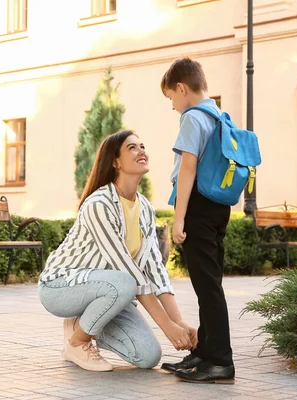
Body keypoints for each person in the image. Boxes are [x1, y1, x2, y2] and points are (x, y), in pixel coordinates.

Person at [38, 129, 197, 372]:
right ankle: (77, 342)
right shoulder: (99, 205)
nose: (141, 150)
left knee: (148, 357)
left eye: (142, 146)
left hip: (110, 289)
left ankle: (84, 322)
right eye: (132, 147)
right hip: (61, 286)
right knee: (126, 282)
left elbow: (155, 270)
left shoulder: (144, 208)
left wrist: (179, 323)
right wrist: (167, 328)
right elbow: (130, 273)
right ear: (115, 162)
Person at [159, 57, 235, 384]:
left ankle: (219, 362)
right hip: (219, 206)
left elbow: (187, 169)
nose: (173, 106)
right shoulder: (220, 115)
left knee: (207, 287)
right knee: (209, 284)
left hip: (199, 208)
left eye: (171, 99)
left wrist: (179, 221)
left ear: (182, 88)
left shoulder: (192, 118)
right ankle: (205, 352)